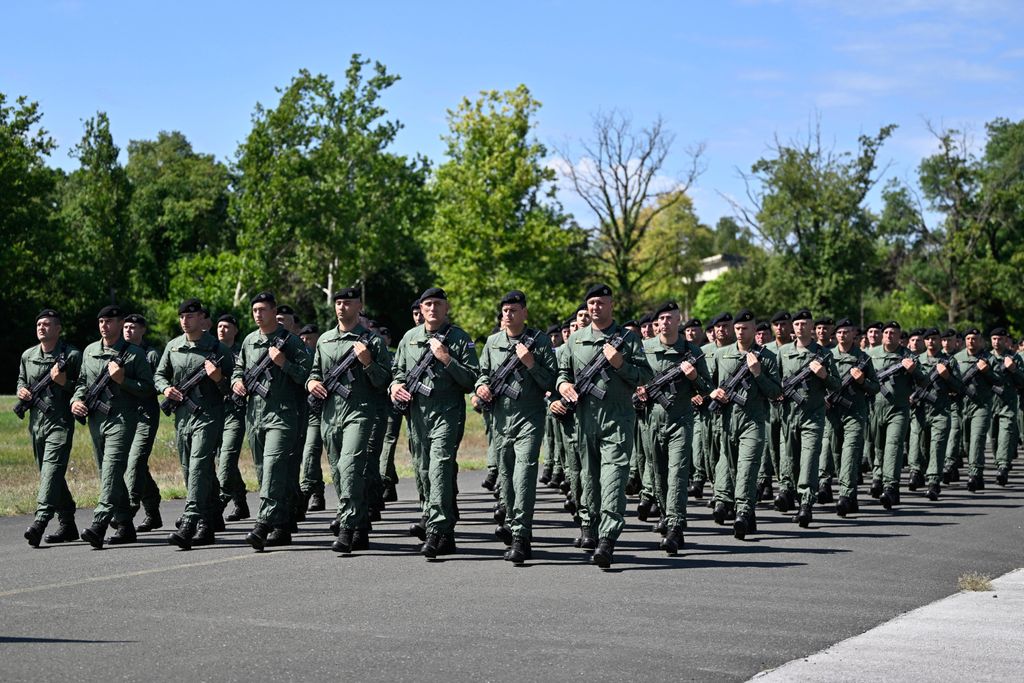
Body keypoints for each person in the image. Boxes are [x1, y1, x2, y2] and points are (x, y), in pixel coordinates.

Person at [556, 284, 652, 568]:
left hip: (617, 421)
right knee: (589, 478)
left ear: (611, 305)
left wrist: (620, 363)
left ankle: (608, 539)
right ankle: (589, 524)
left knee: (613, 480)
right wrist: (563, 386)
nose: (596, 308)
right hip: (585, 420)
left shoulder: (627, 339)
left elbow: (644, 375)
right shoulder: (576, 339)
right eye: (591, 303)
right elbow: (563, 373)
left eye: (601, 302)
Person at [390, 287, 479, 559]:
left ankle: (436, 530)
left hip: (447, 411)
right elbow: (397, 371)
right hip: (417, 413)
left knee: (439, 466)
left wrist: (446, 358)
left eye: (437, 304)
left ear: (446, 308)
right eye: (427, 304)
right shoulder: (409, 338)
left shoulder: (459, 339)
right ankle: (442, 529)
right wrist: (395, 387)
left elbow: (471, 379)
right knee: (422, 469)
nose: (432, 309)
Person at [307, 288, 392, 553]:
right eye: (338, 303)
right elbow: (314, 372)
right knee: (337, 471)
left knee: (350, 466)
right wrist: (312, 383)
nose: (342, 307)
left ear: (359, 306)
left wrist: (367, 362)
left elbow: (383, 381)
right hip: (331, 414)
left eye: (348, 303)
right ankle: (361, 523)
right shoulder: (325, 340)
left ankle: (347, 526)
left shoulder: (373, 341)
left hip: (360, 411)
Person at [475, 290, 557, 564]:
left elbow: (550, 382)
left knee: (524, 475)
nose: (508, 315)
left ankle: (522, 535)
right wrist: (482, 387)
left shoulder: (540, 341)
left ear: (524, 313)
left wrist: (531, 363)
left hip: (529, 418)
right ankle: (512, 523)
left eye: (513, 310)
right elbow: (482, 373)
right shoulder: (492, 342)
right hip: (500, 420)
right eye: (505, 311)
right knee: (506, 478)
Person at [232, 292, 311, 550]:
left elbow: (308, 377)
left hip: (283, 415)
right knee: (267, 471)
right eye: (254, 310)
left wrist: (284, 363)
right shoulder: (249, 341)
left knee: (274, 466)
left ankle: (263, 524)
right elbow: (238, 367)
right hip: (255, 415)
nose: (258, 314)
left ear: (273, 311)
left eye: (263, 309)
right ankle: (283, 524)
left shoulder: (291, 342)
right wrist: (236, 381)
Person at [71, 305, 156, 548]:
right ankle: (125, 525)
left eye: (109, 321)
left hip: (122, 419)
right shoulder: (89, 351)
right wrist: (75, 400)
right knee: (107, 473)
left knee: (111, 468)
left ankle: (99, 523)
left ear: (120, 324)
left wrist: (123, 380)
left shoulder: (134, 354)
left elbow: (147, 388)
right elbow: (82, 383)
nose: (104, 325)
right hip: (96, 420)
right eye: (101, 321)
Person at [156, 299, 234, 549]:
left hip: (209, 415)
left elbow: (232, 387)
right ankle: (208, 523)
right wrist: (165, 388)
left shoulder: (217, 349)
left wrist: (218, 377)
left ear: (202, 319)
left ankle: (190, 521)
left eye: (191, 316)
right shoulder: (173, 347)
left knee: (199, 465)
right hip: (182, 418)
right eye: (182, 316)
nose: (185, 320)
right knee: (191, 468)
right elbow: (159, 375)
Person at [638, 301, 710, 554]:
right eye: (662, 319)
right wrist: (637, 390)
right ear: (656, 323)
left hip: (680, 419)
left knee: (678, 473)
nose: (666, 322)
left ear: (679, 320)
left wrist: (693, 378)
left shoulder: (692, 352)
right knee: (658, 475)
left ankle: (675, 526)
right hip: (651, 420)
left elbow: (708, 390)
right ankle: (667, 514)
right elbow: (629, 378)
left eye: (671, 318)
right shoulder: (644, 348)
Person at [708, 309, 781, 539]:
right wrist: (714, 392)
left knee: (747, 469)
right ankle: (748, 515)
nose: (740, 332)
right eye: (737, 328)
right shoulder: (722, 355)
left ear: (754, 330)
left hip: (754, 421)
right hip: (728, 421)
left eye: (745, 329)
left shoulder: (767, 357)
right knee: (731, 468)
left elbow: (776, 392)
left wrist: (758, 373)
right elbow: (707, 384)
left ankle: (742, 511)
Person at [18, 309, 83, 547]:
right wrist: (21, 391)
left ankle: (41, 520)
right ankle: (67, 522)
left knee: (51, 470)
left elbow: (82, 386)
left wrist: (64, 383)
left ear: (58, 329)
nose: (41, 327)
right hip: (36, 424)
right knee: (50, 474)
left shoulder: (72, 355)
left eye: (47, 324)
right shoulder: (28, 355)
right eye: (39, 324)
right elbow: (21, 380)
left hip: (60, 422)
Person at [775, 309, 840, 527]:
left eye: (805, 323)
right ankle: (789, 491)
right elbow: (774, 382)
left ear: (811, 327)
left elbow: (837, 385)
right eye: (797, 324)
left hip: (813, 415)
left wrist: (824, 375)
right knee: (790, 459)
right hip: (789, 416)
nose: (800, 327)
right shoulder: (782, 352)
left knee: (810, 459)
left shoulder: (824, 354)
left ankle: (806, 503)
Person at [867, 321, 922, 509]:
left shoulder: (908, 356)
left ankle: (891, 487)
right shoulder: (870, 355)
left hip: (898, 409)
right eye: (887, 332)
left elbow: (924, 380)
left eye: (894, 333)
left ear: (900, 337)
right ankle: (878, 476)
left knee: (893, 445)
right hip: (875, 408)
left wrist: (913, 370)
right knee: (878, 446)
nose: (890, 335)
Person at [826, 319, 879, 515]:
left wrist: (863, 380)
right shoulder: (827, 356)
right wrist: (824, 399)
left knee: (850, 452)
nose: (842, 335)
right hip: (832, 413)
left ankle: (845, 495)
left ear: (853, 334)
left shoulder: (863, 359)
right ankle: (851, 494)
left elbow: (875, 387)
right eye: (839, 332)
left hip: (855, 413)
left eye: (846, 332)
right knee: (836, 453)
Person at [906, 328, 962, 501]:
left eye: (934, 339)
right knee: (917, 446)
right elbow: (906, 384)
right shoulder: (916, 360)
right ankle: (916, 472)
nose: (931, 342)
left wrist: (946, 376)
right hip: (920, 410)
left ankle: (933, 482)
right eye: (928, 339)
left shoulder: (949, 361)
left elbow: (959, 388)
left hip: (940, 410)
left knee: (937, 447)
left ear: (940, 341)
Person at [122, 313, 163, 531]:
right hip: (122, 416)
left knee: (136, 461)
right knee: (135, 465)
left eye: (134, 327)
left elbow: (154, 384)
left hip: (145, 415)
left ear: (142, 331)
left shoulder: (151, 355)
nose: (129, 330)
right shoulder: (118, 352)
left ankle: (129, 507)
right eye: (126, 327)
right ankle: (152, 509)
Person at [215, 314, 249, 520]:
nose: (222, 330)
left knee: (227, 459)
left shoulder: (242, 353)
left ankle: (218, 502)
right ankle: (241, 502)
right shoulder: (211, 351)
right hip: (214, 411)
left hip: (236, 411)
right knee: (223, 459)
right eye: (219, 326)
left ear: (235, 330)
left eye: (227, 326)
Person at [988, 327, 1023, 486]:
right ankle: (999, 462)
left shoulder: (1015, 358)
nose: (996, 342)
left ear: (1005, 340)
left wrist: (1013, 369)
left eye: (999, 339)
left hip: (1008, 404)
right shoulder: (985, 358)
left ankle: (1002, 467)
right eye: (994, 339)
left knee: (1006, 434)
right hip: (990, 403)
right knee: (994, 437)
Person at [298, 323, 327, 512]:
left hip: (319, 412)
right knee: (305, 456)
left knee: (310, 452)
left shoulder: (324, 353)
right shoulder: (296, 353)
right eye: (303, 338)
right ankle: (317, 491)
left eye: (309, 338)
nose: (305, 341)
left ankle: (305, 493)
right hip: (299, 412)